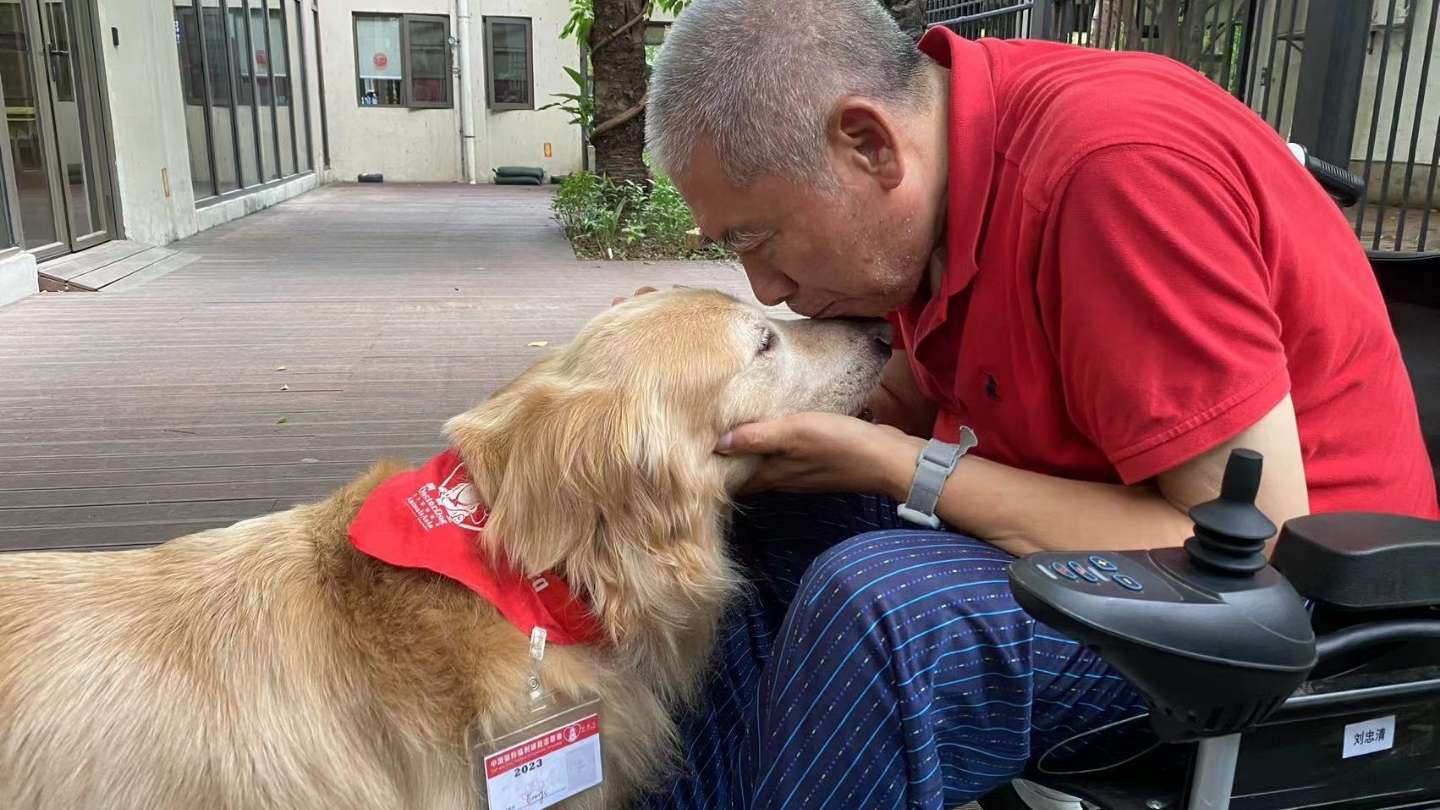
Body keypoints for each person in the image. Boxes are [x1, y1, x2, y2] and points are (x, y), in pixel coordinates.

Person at [627, 0, 1440, 807]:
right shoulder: (936, 191)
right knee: (750, 518)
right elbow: (930, 386)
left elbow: (1245, 547)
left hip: (1293, 608)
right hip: (1100, 526)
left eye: (757, 239)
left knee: (881, 611)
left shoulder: (1117, 174)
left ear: (869, 144)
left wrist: (900, 466)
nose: (768, 289)